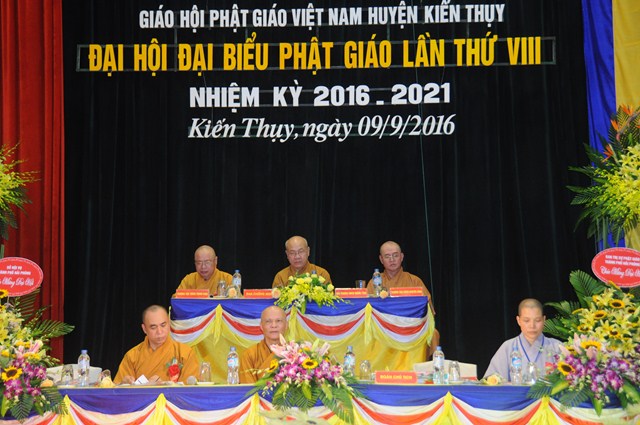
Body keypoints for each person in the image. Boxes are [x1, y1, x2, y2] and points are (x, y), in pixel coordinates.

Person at [366, 241, 440, 356]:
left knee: (433, 333)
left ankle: (432, 365)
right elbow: (367, 312)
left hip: (411, 327)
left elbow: (429, 311)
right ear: (381, 259)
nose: (392, 259)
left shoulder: (414, 281)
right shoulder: (374, 282)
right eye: (387, 256)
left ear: (401, 257)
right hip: (383, 328)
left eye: (395, 255)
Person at [114, 305, 200, 384]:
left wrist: (164, 385)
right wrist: (123, 385)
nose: (159, 332)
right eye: (153, 327)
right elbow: (117, 390)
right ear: (144, 329)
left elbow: (189, 389)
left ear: (169, 324)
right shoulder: (132, 356)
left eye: (163, 325)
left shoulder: (185, 353)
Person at [483, 298, 562, 380]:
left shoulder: (557, 347)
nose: (532, 326)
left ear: (544, 320)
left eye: (537, 320)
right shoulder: (507, 347)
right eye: (526, 320)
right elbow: (492, 380)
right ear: (518, 320)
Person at [239, 305, 288, 383]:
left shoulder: (294, 354)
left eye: (278, 321)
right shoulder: (249, 355)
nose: (274, 325)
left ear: (286, 325)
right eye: (268, 321)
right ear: (261, 326)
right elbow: (247, 388)